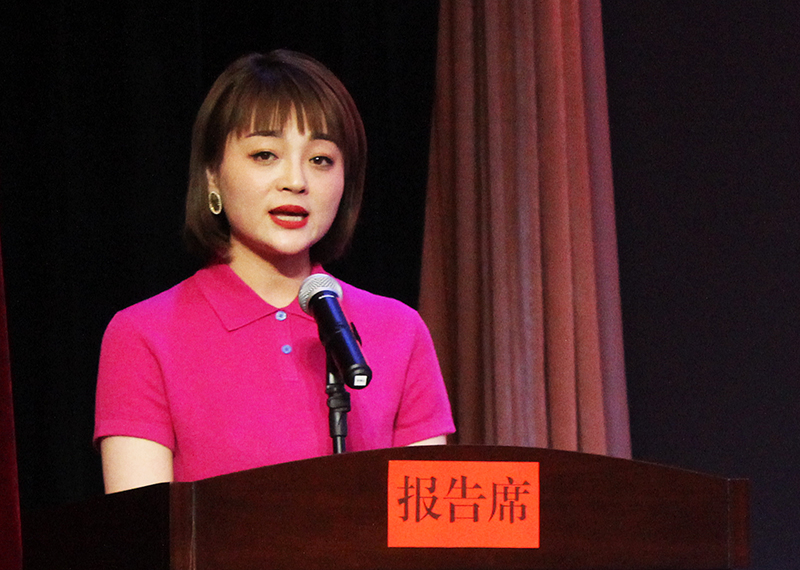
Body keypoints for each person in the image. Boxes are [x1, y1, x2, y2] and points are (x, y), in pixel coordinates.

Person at [94, 50, 455, 493]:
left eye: (320, 160)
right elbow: (142, 526)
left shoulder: (399, 330)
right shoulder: (143, 335)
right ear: (212, 176)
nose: (296, 181)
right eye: (265, 154)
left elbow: (427, 519)